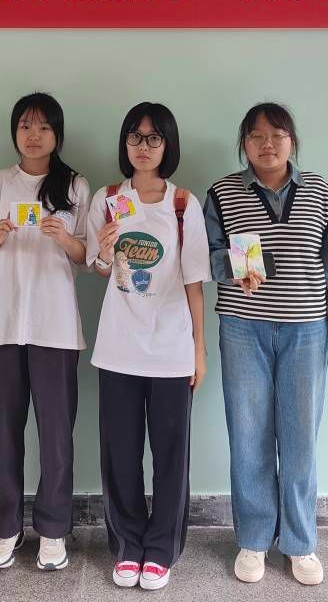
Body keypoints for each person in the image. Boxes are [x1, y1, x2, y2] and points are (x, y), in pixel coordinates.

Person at [203, 102, 328, 588]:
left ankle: (299, 541)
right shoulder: (222, 193)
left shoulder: (320, 191)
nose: (267, 144)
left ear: (292, 141)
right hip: (242, 328)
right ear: (243, 144)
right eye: (256, 136)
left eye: (277, 134)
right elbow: (204, 256)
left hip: (306, 329)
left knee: (300, 438)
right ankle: (253, 538)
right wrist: (235, 268)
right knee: (248, 433)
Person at [87, 103, 209, 592]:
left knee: (171, 454)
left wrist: (199, 350)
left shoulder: (183, 204)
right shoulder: (107, 198)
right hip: (118, 346)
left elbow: (195, 282)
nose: (143, 146)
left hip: (172, 348)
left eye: (154, 138)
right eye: (135, 137)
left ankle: (161, 548)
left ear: (167, 146)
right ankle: (128, 545)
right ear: (125, 143)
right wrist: (103, 250)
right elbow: (99, 269)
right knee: (120, 453)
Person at [0, 93, 89, 572]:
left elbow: (89, 256)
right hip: (3, 325)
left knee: (56, 436)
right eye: (25, 126)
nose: (33, 135)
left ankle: (53, 530)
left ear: (58, 133)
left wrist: (66, 238)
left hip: (55, 327)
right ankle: (6, 528)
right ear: (14, 131)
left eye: (44, 127)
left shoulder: (74, 184)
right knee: (4, 432)